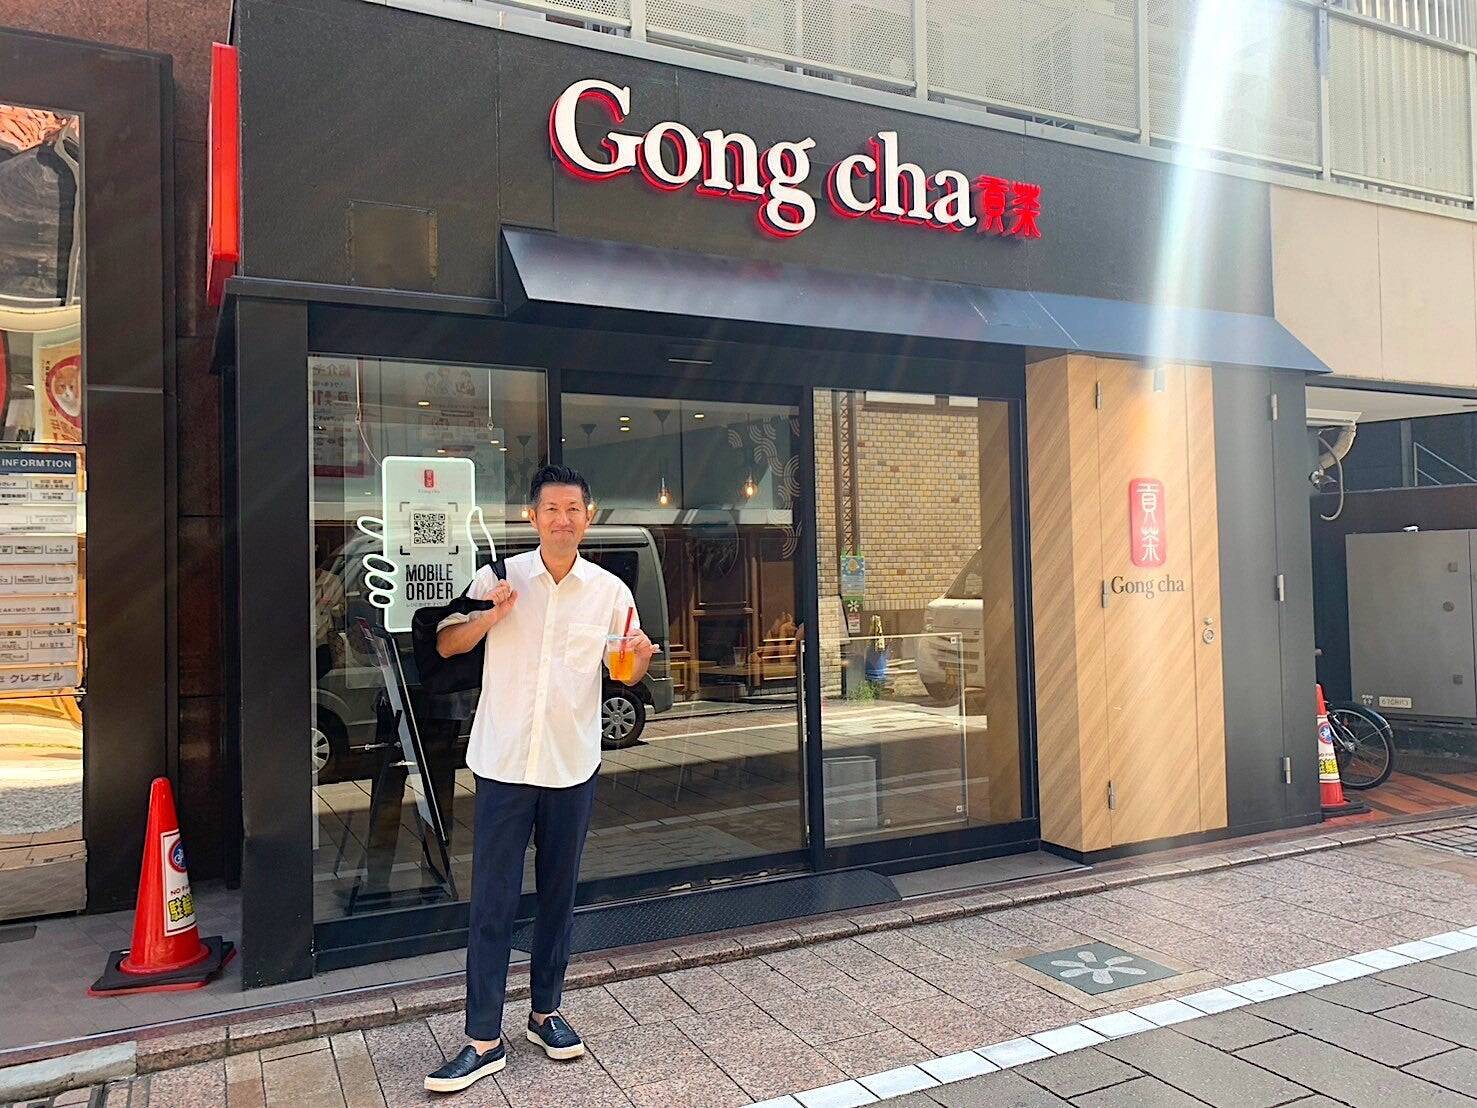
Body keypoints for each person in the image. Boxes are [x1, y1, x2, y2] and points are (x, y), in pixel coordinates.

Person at [424, 464, 656, 1094]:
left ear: (589, 516)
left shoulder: (609, 591)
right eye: (550, 509)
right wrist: (490, 617)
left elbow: (624, 671)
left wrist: (637, 661)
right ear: (532, 517)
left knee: (558, 895)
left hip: (570, 764)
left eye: (573, 509)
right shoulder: (498, 577)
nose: (562, 519)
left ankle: (546, 1013)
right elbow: (446, 645)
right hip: (503, 763)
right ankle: (482, 1038)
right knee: (492, 903)